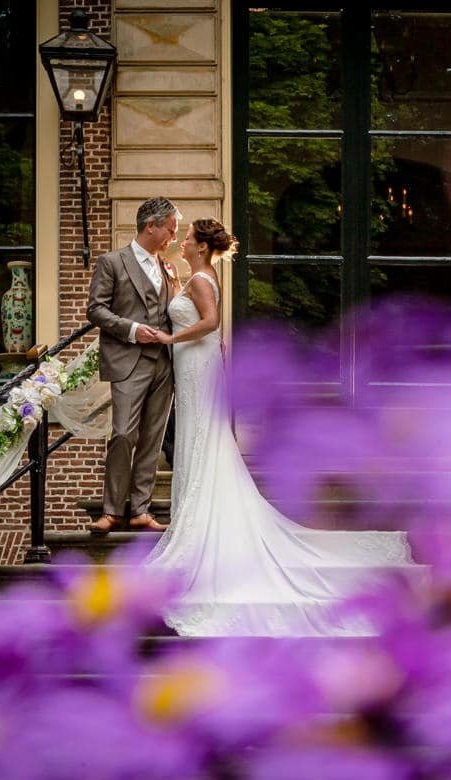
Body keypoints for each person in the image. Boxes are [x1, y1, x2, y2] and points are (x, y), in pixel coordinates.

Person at [142, 218, 416, 636]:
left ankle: (197, 524)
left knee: (201, 440)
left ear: (200, 247)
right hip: (197, 363)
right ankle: (194, 517)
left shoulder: (199, 279)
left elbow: (211, 322)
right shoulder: (200, 274)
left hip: (194, 362)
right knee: (200, 441)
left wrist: (166, 340)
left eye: (187, 238)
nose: (181, 241)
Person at [86, 196, 181, 534]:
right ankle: (112, 510)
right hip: (128, 360)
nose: (173, 237)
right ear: (150, 226)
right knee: (124, 434)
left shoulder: (168, 267)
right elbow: (95, 310)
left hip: (164, 365)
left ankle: (140, 509)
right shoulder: (112, 262)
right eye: (170, 230)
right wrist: (132, 330)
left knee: (153, 439)